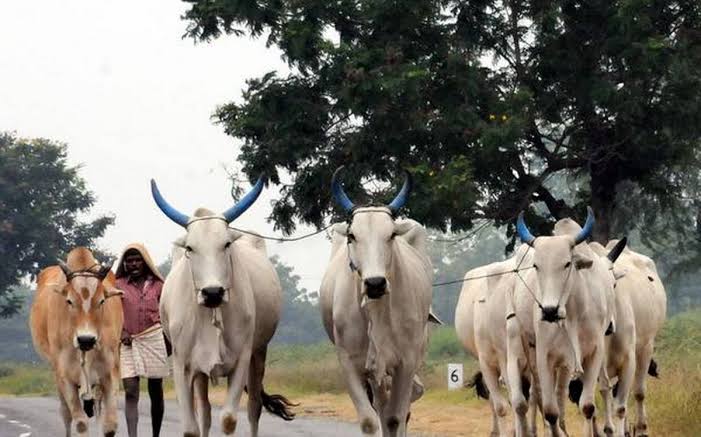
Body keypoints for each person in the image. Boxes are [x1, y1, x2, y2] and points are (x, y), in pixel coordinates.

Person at [115, 243, 169, 437]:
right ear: (125, 264)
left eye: (137, 260)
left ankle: (155, 434)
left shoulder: (159, 285)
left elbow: (168, 312)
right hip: (127, 341)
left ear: (145, 262)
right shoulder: (117, 285)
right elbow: (110, 313)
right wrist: (121, 332)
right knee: (130, 390)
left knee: (156, 390)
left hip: (154, 338)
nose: (134, 264)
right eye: (129, 261)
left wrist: (166, 337)